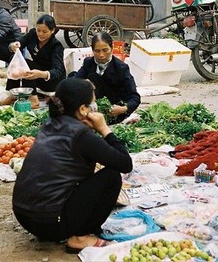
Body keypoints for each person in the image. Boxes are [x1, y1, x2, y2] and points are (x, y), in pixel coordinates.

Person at [12, 77, 133, 253]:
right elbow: (124, 163)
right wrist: (104, 129)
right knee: (111, 176)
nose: (95, 106)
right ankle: (80, 237)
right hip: (50, 223)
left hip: (25, 216)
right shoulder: (81, 135)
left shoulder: (50, 124)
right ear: (83, 109)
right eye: (92, 102)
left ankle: (70, 227)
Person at [74, 32, 140, 123]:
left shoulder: (121, 68)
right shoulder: (88, 63)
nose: (101, 55)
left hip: (113, 113)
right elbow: (74, 82)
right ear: (92, 50)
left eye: (105, 50)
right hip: (92, 110)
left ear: (112, 48)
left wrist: (123, 109)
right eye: (97, 51)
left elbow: (135, 98)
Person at [2, 14, 66, 108]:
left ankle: (33, 99)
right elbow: (20, 42)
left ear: (52, 31)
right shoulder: (32, 34)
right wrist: (14, 45)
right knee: (14, 59)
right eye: (38, 30)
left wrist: (41, 74)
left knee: (28, 66)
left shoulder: (56, 46)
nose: (40, 34)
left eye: (44, 32)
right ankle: (12, 94)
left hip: (51, 80)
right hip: (36, 71)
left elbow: (58, 71)